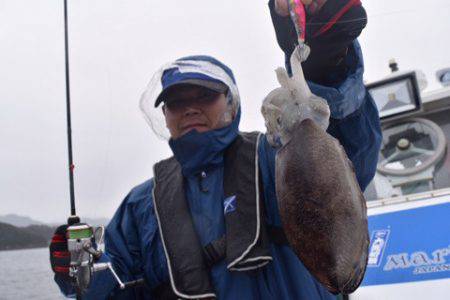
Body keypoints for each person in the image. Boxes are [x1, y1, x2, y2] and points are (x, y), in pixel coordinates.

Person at [49, 2, 381, 300]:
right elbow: (117, 289)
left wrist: (327, 58)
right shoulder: (140, 206)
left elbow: (350, 147)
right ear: (164, 115)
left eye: (204, 96)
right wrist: (80, 273)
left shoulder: (272, 156)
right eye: (176, 102)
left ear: (231, 104)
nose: (189, 108)